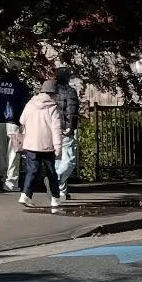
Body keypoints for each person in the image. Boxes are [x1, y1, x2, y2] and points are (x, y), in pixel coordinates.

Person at [16, 69, 66, 213]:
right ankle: (55, 199)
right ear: (52, 93)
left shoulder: (30, 104)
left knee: (32, 170)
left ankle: (25, 195)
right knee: (51, 173)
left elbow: (21, 120)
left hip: (31, 144)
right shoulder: (52, 108)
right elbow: (56, 129)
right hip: (47, 145)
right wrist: (58, 148)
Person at [0, 69, 30, 190]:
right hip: (14, 123)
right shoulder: (20, 86)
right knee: (14, 153)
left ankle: (3, 178)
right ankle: (11, 183)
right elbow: (24, 105)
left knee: (2, 153)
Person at [54, 64, 81, 197]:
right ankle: (57, 179)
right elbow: (72, 110)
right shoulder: (70, 91)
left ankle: (61, 191)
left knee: (58, 159)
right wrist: (70, 126)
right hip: (65, 129)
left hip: (52, 129)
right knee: (69, 159)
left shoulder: (51, 92)